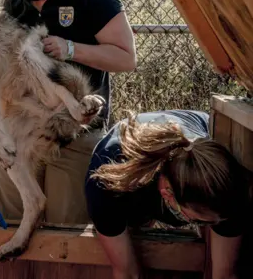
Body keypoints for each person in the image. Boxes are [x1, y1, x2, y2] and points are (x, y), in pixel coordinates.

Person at [0, 0, 136, 223]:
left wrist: (71, 49)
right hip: (22, 131)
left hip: (74, 133)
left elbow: (126, 58)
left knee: (65, 231)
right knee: (10, 223)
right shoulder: (15, 0)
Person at [86, 110, 252, 279]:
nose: (214, 225)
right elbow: (127, 273)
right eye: (198, 220)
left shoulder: (226, 187)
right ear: (168, 194)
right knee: (136, 231)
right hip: (124, 180)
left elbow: (224, 275)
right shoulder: (105, 188)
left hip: (196, 148)